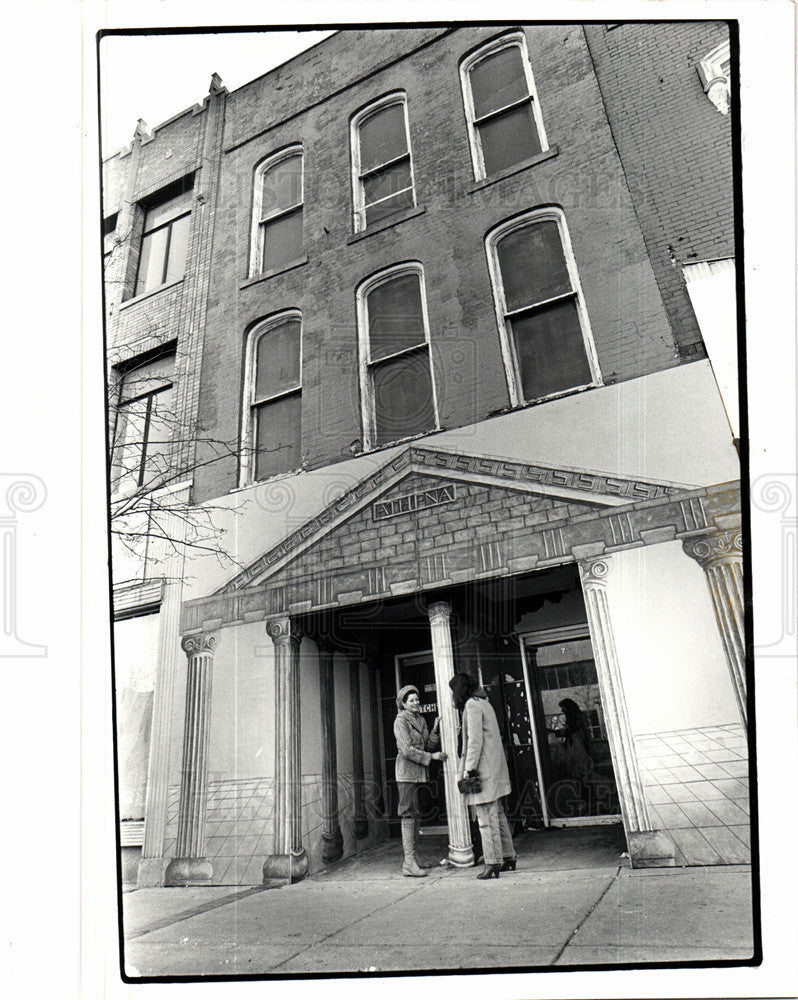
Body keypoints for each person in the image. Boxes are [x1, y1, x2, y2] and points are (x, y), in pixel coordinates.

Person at [449, 672, 516, 880]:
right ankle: (508, 857)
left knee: (485, 819)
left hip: (483, 770)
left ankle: (492, 863)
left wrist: (469, 770)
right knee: (498, 815)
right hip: (495, 768)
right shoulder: (484, 702)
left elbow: (474, 741)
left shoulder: (472, 705)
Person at [393, 684, 448, 877]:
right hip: (406, 773)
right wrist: (431, 757)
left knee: (416, 815)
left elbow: (427, 745)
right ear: (404, 703)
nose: (416, 703)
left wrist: (434, 729)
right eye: (411, 700)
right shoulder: (400, 721)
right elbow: (407, 750)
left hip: (419, 774)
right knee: (408, 814)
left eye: (417, 699)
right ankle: (408, 862)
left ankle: (414, 859)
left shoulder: (421, 719)